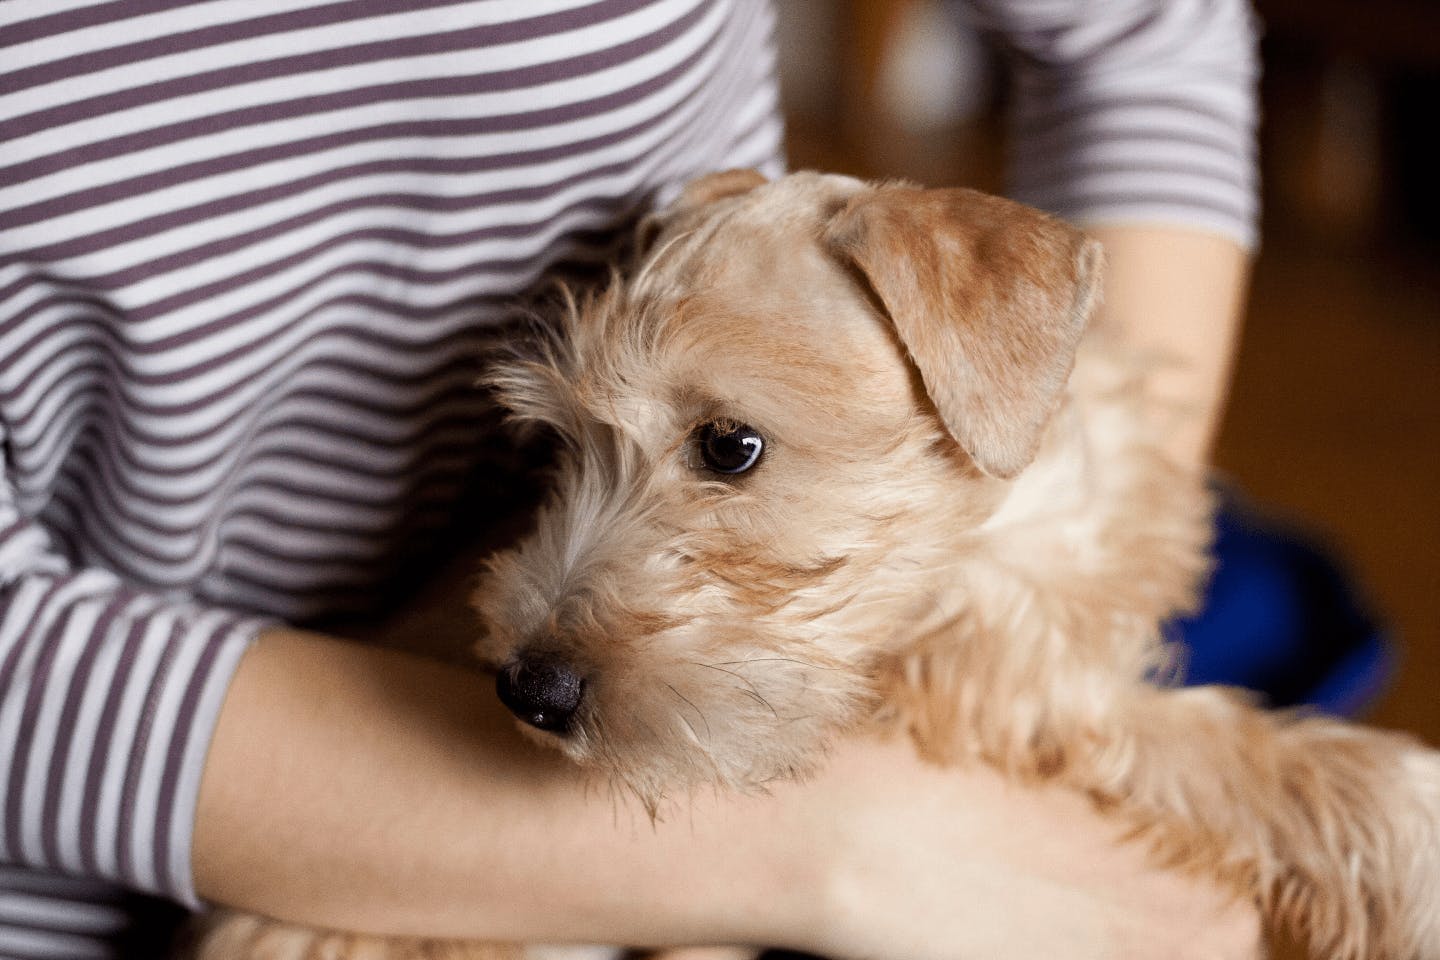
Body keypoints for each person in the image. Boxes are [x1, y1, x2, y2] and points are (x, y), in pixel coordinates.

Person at [0, 1, 1258, 957]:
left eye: (728, 449)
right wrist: (831, 847)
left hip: (768, 742)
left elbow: (1147, 37)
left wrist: (1095, 557)